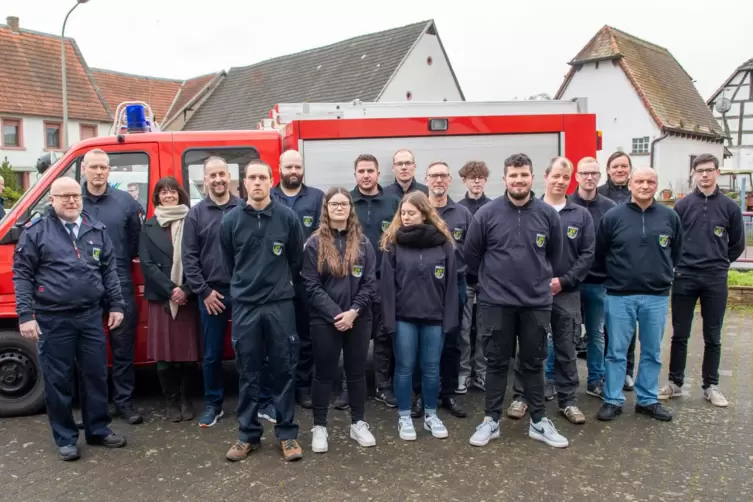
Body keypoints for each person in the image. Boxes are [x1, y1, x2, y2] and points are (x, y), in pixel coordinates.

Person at [13, 177, 127, 461]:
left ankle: (98, 429)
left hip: (90, 317)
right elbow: (22, 276)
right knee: (57, 381)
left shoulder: (95, 229)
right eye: (64, 196)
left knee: (96, 376)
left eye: (75, 196)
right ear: (52, 199)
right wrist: (26, 315)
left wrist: (116, 305)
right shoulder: (36, 231)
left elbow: (109, 271)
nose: (71, 201)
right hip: (53, 319)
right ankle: (65, 438)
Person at [465, 153, 568, 449]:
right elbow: (472, 255)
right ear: (505, 178)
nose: (518, 180)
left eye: (524, 175)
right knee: (496, 363)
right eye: (513, 175)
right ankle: (491, 421)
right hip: (496, 303)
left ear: (533, 178)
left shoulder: (548, 214)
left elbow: (555, 255)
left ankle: (539, 422)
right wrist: (489, 282)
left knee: (534, 363)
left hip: (536, 303)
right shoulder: (487, 213)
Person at [221, 159, 305, 462]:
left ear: (271, 181)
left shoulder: (288, 218)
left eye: (262, 177)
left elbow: (296, 260)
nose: (257, 182)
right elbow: (229, 263)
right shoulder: (230, 221)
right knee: (247, 371)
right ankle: (247, 435)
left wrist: (278, 287)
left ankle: (287, 435)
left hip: (280, 306)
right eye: (251, 177)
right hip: (245, 306)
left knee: (284, 369)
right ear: (244, 183)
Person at [510, 157, 594, 424]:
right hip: (532, 294)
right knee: (529, 347)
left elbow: (587, 254)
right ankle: (521, 397)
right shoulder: (529, 211)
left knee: (566, 347)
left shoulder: (580, 215)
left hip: (566, 293)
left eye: (565, 178)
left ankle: (567, 401)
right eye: (556, 175)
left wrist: (565, 281)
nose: (560, 181)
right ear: (544, 177)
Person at [595, 167, 683, 422]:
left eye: (650, 181)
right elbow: (600, 254)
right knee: (615, 351)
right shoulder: (613, 217)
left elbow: (675, 252)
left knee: (652, 351)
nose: (645, 186)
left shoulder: (670, 217)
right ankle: (612, 399)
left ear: (656, 185)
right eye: (640, 181)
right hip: (619, 296)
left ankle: (647, 400)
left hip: (656, 296)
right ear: (630, 184)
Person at [660, 153, 745, 407]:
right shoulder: (683, 206)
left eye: (709, 170)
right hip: (685, 276)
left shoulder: (729, 207)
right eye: (700, 171)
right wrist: (679, 264)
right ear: (693, 174)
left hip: (715, 279)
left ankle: (711, 385)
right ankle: (675, 383)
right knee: (680, 334)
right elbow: (671, 240)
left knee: (713, 335)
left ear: (717, 172)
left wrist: (719, 262)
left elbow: (738, 243)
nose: (705, 175)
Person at [302, 188, 377, 452]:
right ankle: (320, 427)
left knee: (356, 374)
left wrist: (354, 311)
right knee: (323, 375)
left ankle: (358, 424)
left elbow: (370, 283)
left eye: (344, 203)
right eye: (334, 204)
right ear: (326, 208)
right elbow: (310, 285)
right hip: (325, 321)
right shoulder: (314, 244)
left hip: (359, 318)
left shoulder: (364, 243)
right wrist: (336, 314)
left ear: (350, 208)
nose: (339, 207)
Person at [380, 191, 458, 441]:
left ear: (424, 214)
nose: (405, 217)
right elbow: (387, 287)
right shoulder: (393, 244)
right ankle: (404, 417)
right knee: (404, 368)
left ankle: (431, 415)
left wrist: (449, 319)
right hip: (404, 318)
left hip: (435, 319)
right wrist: (389, 320)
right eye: (402, 213)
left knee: (432, 369)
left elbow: (451, 285)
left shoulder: (444, 244)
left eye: (411, 213)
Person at [81, 149, 144, 425]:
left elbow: (134, 240)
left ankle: (124, 402)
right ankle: (94, 406)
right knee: (87, 347)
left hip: (119, 278)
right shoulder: (73, 200)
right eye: (93, 166)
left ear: (109, 171)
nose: (98, 172)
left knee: (122, 345)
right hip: (82, 282)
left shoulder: (125, 202)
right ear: (84, 169)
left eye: (103, 167)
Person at [182, 157, 243, 428]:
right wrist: (204, 292)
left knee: (250, 350)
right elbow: (189, 258)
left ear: (229, 176)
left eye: (222, 174)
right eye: (212, 175)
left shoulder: (243, 208)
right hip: (211, 294)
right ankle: (213, 404)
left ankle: (257, 402)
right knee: (211, 353)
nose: (218, 179)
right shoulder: (195, 214)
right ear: (204, 180)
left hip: (243, 292)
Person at [139, 177, 200, 422]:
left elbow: (199, 257)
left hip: (188, 297)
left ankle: (186, 398)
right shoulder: (149, 226)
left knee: (188, 354)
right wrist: (171, 290)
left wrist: (186, 288)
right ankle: (171, 400)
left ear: (180, 195)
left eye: (172, 192)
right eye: (163, 192)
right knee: (164, 355)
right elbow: (147, 264)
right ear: (157, 197)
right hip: (163, 298)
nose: (168, 196)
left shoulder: (192, 221)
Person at [412, 161, 471, 419]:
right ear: (426, 179)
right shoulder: (415, 211)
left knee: (452, 341)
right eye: (433, 175)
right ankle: (421, 396)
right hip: (421, 287)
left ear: (450, 180)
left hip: (453, 286)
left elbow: (473, 249)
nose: (438, 180)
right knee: (418, 343)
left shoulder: (462, 214)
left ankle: (447, 393)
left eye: (443, 176)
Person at [271, 149, 324, 409]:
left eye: (297, 167)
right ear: (279, 168)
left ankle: (303, 386)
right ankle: (282, 387)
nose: (293, 172)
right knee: (278, 336)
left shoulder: (316, 198)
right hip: (275, 281)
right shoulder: (269, 197)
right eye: (288, 167)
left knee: (305, 335)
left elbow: (322, 234)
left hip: (306, 280)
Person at [350, 154, 400, 409]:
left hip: (384, 280)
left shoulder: (393, 202)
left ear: (378, 174)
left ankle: (384, 386)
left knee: (382, 337)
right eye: (361, 171)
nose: (366, 175)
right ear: (355, 174)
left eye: (370, 170)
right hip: (352, 283)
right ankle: (351, 388)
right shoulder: (346, 201)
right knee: (353, 337)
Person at [570, 157, 616, 398]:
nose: (589, 177)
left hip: (598, 282)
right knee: (564, 333)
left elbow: (614, 245)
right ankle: (554, 377)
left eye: (594, 173)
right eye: (585, 173)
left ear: (600, 177)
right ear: (576, 176)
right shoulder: (566, 204)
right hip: (570, 284)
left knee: (596, 334)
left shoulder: (609, 208)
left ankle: (595, 379)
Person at [598, 151, 637, 391]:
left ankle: (627, 371)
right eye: (616, 166)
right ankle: (605, 372)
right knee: (603, 329)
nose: (620, 170)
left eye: (624, 166)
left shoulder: (638, 194)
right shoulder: (601, 195)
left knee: (628, 329)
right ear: (608, 169)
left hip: (630, 273)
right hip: (605, 272)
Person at [457, 161, 492, 392]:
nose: (476, 181)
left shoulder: (495, 207)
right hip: (466, 279)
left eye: (480, 177)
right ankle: (463, 373)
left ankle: (481, 373)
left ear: (486, 180)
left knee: (485, 331)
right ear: (464, 181)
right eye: (472, 177)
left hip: (490, 281)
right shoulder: (458, 209)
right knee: (463, 329)